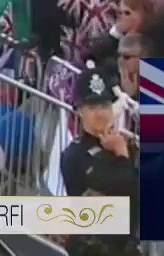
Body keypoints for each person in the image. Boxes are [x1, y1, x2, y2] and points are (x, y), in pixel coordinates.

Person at [60, 62, 140, 256]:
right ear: (80, 110)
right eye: (92, 106)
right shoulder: (76, 154)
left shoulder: (125, 143)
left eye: (104, 105)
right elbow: (127, 185)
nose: (100, 114)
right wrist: (121, 153)